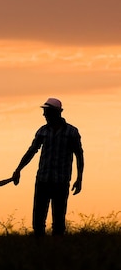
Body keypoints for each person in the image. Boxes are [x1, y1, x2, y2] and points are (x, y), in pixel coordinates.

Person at [12, 97, 84, 237]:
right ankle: (40, 247)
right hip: (43, 180)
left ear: (58, 112)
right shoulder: (42, 131)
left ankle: (56, 249)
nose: (44, 115)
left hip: (61, 181)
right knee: (38, 219)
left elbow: (79, 155)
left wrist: (79, 178)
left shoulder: (71, 132)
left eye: (47, 111)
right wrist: (18, 169)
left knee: (58, 219)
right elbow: (32, 151)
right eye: (45, 111)